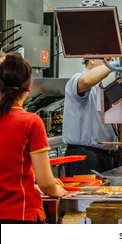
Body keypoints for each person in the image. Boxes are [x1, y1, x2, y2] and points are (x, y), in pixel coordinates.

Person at [0, 52, 67, 224]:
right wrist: (57, 190)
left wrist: (32, 183)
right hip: (19, 216)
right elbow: (46, 184)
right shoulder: (30, 122)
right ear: (28, 89)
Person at [62, 58, 122, 177]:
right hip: (84, 158)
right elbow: (86, 81)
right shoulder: (77, 79)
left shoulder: (100, 89)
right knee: (85, 195)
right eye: (107, 59)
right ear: (91, 59)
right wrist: (113, 66)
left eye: (113, 59)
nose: (111, 61)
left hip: (104, 156)